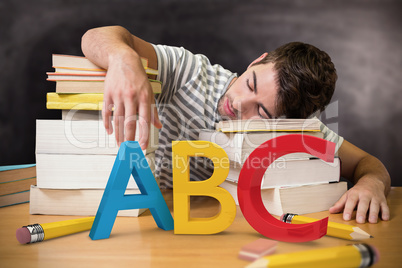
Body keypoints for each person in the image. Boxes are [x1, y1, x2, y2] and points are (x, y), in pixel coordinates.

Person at [81, 25, 391, 224]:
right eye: (251, 84)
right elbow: (96, 36)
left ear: (287, 122)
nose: (239, 103)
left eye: (262, 112)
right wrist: (125, 59)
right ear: (257, 61)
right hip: (133, 217)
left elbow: (368, 163)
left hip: (216, 232)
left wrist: (371, 184)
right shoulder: (191, 73)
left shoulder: (295, 130)